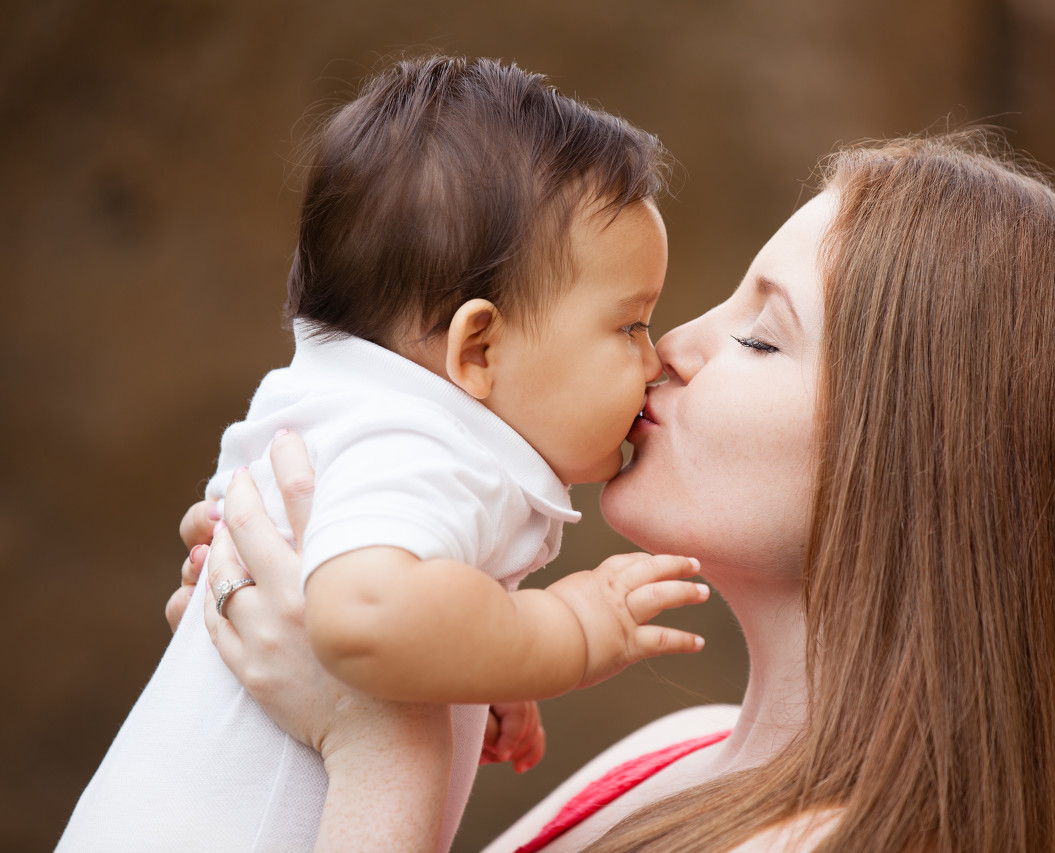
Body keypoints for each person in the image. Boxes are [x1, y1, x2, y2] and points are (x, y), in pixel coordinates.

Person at [171, 130, 1055, 852]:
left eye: (760, 335)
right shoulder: (679, 753)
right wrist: (292, 681)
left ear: (922, 460)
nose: (671, 348)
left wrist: (370, 735)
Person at [57, 56, 711, 853]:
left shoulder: (356, 416)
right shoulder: (414, 444)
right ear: (479, 348)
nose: (656, 358)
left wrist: (472, 659)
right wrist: (562, 628)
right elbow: (365, 615)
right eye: (630, 325)